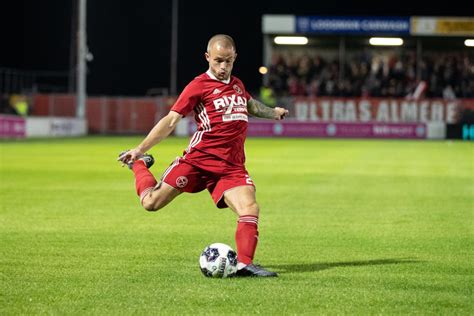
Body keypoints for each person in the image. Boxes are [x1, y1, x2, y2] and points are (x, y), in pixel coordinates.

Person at [118, 34, 288, 277]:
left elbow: (249, 105)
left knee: (249, 208)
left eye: (228, 61)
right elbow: (171, 120)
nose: (223, 67)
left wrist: (273, 113)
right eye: (218, 61)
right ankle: (139, 165)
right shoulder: (198, 86)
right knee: (150, 203)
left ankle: (244, 265)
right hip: (198, 161)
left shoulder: (237, 84)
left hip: (231, 167)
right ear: (208, 57)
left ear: (234, 58)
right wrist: (141, 149)